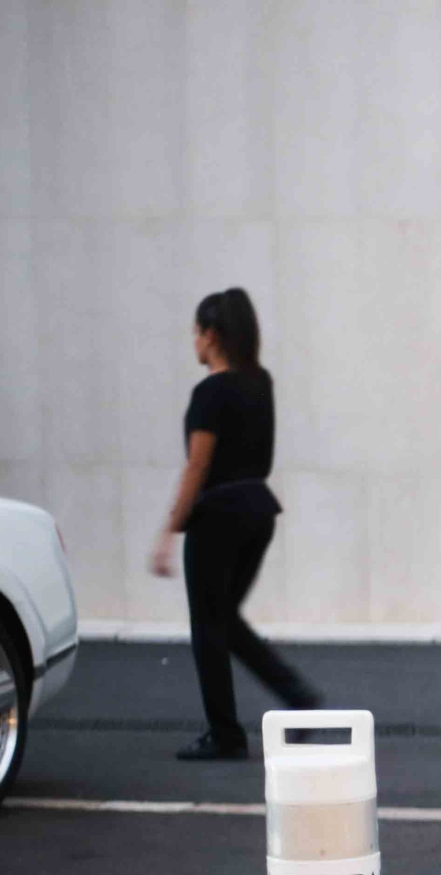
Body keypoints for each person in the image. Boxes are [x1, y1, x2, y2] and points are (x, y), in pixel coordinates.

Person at [148, 288, 319, 759]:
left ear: (212, 336)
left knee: (208, 627)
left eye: (197, 334)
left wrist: (170, 529)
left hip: (217, 517)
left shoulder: (210, 393)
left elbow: (197, 467)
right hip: (258, 511)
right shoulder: (260, 383)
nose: (194, 343)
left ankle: (225, 734)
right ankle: (298, 698)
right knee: (223, 621)